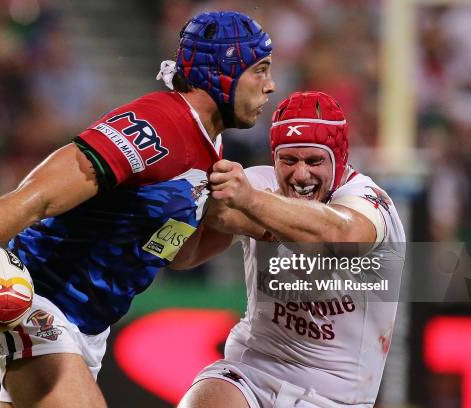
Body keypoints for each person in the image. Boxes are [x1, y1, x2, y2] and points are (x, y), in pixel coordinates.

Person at [0, 11, 275, 408]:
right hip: (38, 301)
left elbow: (177, 255)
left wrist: (235, 222)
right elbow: (37, 196)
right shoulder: (155, 125)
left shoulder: (208, 146)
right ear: (224, 73)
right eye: (260, 70)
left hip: (88, 327)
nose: (270, 85)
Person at [173, 91, 406, 408]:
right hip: (251, 367)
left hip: (333, 396)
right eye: (289, 160)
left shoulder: (370, 202)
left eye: (314, 161)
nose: (300, 175)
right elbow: (185, 257)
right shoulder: (256, 183)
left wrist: (253, 207)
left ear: (338, 160)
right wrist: (181, 200)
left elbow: (340, 235)